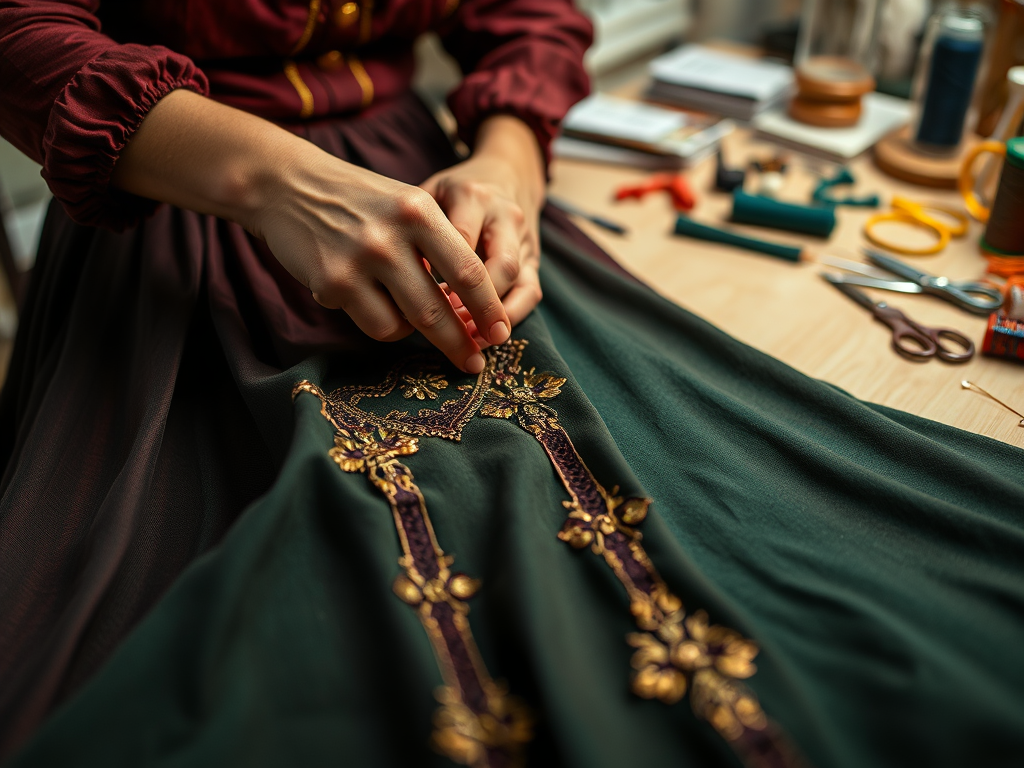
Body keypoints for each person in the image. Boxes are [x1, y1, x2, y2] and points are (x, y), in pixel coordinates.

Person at [2, 2, 1024, 767]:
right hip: (167, 196)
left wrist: (508, 167)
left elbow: (530, 17)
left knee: (692, 476)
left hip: (432, 188)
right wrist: (267, 179)